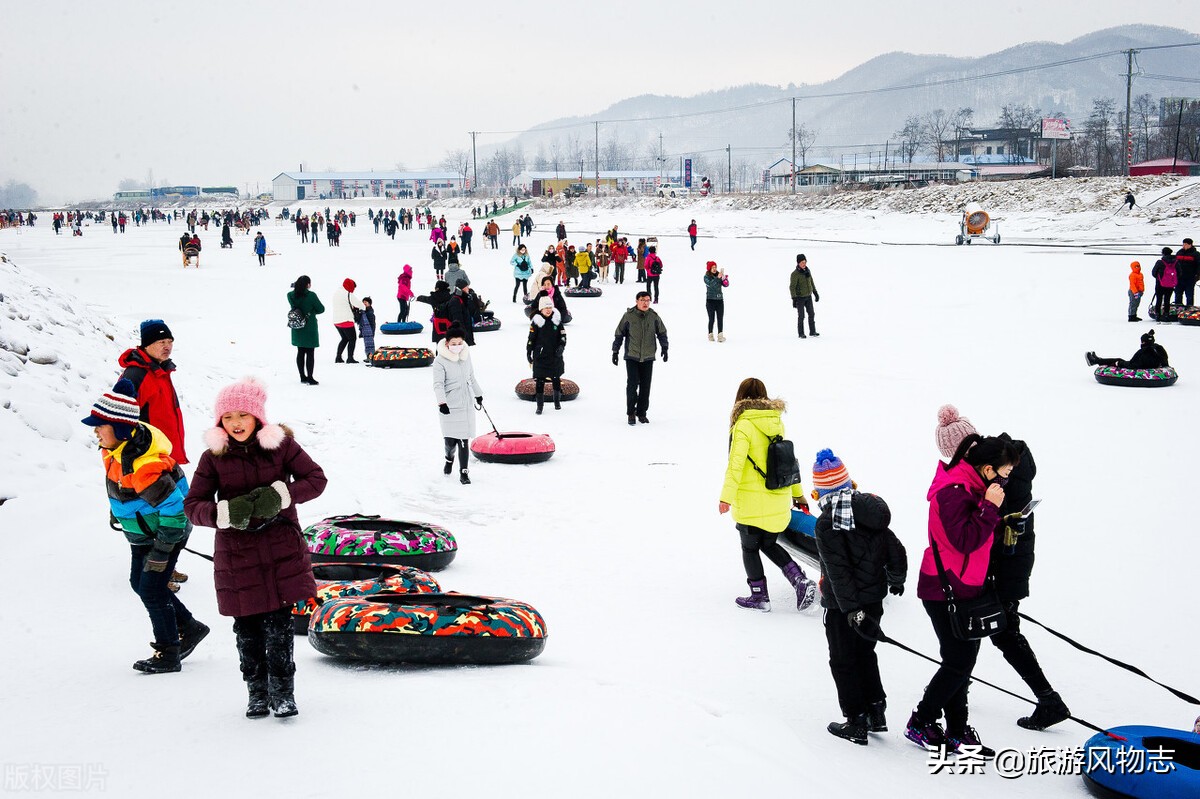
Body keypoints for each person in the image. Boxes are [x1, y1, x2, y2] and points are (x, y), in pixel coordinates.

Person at [184, 378, 327, 718]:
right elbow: (193, 505)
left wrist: (280, 495)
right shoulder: (212, 458)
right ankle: (256, 693)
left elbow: (316, 479)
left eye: (243, 416)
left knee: (278, 626)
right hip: (238, 556)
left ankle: (283, 693)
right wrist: (222, 512)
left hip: (280, 550)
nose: (235, 423)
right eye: (228, 417)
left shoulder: (282, 448)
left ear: (258, 418)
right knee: (247, 628)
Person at [934, 405, 1071, 732]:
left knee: (993, 629)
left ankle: (1048, 699)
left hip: (1001, 567)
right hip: (1013, 562)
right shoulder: (1006, 462)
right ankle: (1044, 698)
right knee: (995, 629)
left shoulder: (993, 474)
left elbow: (982, 528)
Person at [82, 379, 208, 674]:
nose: (95, 430)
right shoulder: (115, 449)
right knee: (139, 584)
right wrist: (120, 510)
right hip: (142, 532)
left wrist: (163, 551)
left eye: (101, 425)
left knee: (151, 589)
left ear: (122, 429)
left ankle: (168, 652)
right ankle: (190, 627)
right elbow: (122, 485)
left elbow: (175, 510)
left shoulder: (144, 466)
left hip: (164, 534)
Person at [905, 434, 1020, 757]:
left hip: (967, 586)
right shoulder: (954, 492)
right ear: (987, 469)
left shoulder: (972, 486)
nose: (1006, 480)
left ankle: (957, 729)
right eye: (1005, 473)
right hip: (945, 589)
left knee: (960, 661)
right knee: (959, 660)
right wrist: (989, 507)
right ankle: (921, 720)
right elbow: (965, 540)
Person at [812, 448, 907, 745]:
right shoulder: (870, 512)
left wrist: (851, 609)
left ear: (820, 491)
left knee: (843, 660)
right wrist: (896, 578)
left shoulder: (827, 523)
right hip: (873, 600)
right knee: (865, 652)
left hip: (843, 606)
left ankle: (856, 721)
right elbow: (896, 549)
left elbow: (838, 572)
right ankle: (876, 710)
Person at [717, 377, 816, 612]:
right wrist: (798, 495)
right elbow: (788, 462)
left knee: (750, 547)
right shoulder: (775, 422)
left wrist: (726, 497)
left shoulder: (743, 424)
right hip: (777, 498)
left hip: (750, 503)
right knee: (769, 543)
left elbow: (736, 464)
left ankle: (759, 596)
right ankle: (799, 581)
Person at [118, 319, 190, 465]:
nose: (167, 347)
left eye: (170, 342)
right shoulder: (136, 374)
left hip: (165, 456)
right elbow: (120, 418)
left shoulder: (161, 372)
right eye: (161, 342)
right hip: (148, 458)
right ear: (147, 345)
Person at [432, 324, 483, 485]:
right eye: (453, 344)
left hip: (466, 404)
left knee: (463, 440)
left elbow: (472, 377)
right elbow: (438, 384)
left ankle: (464, 472)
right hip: (449, 406)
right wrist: (442, 403)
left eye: (459, 343)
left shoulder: (466, 356)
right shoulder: (439, 361)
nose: (457, 346)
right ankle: (448, 460)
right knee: (450, 442)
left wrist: (478, 394)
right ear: (447, 343)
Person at [612, 291, 668, 425]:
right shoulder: (628, 316)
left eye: (648, 300)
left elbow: (662, 332)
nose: (646, 303)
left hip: (648, 356)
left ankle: (641, 413)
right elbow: (619, 334)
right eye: (643, 300)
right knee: (632, 385)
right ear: (637, 301)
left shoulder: (654, 317)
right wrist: (615, 351)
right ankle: (631, 412)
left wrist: (665, 348)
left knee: (645, 387)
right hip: (632, 356)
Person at [526, 296, 567, 414]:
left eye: (550, 307)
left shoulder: (557, 320)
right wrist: (529, 351)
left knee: (556, 378)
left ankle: (557, 402)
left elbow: (563, 336)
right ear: (541, 309)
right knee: (540, 381)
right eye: (545, 308)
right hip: (540, 356)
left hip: (555, 355)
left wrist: (561, 346)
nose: (548, 310)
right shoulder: (536, 322)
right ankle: (539, 406)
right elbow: (531, 339)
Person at [288, 276, 324, 385]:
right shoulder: (311, 296)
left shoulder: (291, 295)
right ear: (307, 284)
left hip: (297, 325)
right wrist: (311, 310)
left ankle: (302, 377)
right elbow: (321, 309)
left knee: (300, 351)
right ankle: (310, 377)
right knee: (310, 352)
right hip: (309, 326)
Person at [1085, 328, 1169, 369]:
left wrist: (1121, 364)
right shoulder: (1158, 348)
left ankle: (1095, 361)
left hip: (1141, 367)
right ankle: (1099, 360)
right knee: (1120, 360)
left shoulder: (1145, 351)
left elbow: (1135, 364)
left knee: (1118, 360)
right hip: (1154, 366)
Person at [332, 278, 362, 364]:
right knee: (352, 339)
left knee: (344, 338)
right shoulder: (348, 294)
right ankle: (350, 358)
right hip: (346, 321)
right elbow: (359, 304)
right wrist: (365, 307)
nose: (353, 290)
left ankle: (338, 357)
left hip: (336, 321)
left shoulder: (337, 292)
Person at [790, 254, 820, 338]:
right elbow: (792, 287)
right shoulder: (795, 274)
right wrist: (794, 298)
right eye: (802, 262)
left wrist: (815, 293)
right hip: (800, 298)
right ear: (798, 263)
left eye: (805, 262)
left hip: (808, 296)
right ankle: (801, 333)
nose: (804, 264)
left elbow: (811, 282)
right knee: (801, 316)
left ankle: (812, 331)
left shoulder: (807, 271)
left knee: (811, 314)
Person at [1150, 247, 1178, 321]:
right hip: (1170, 285)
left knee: (1159, 299)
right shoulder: (1175, 262)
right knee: (1167, 300)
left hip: (1160, 284)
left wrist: (1159, 278)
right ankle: (1166, 315)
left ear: (1163, 253)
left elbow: (1153, 273)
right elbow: (1179, 273)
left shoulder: (1160, 262)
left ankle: (1157, 315)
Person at [703, 261, 728, 342]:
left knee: (720, 318)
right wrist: (718, 278)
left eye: (715, 267)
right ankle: (710, 335)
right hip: (710, 301)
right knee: (711, 319)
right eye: (713, 267)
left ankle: (720, 336)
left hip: (720, 300)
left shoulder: (719, 275)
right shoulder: (706, 277)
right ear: (709, 268)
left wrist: (724, 279)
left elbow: (726, 285)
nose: (714, 269)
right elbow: (711, 284)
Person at [1175, 238, 1197, 307]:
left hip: (1190, 278)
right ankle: (1178, 307)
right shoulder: (1179, 252)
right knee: (1178, 294)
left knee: (1189, 295)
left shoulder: (1195, 254)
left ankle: (1189, 308)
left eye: (1186, 244)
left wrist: (1196, 276)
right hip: (1179, 278)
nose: (1184, 246)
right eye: (1183, 244)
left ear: (1190, 245)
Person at [359, 296, 377, 361]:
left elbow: (372, 323)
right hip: (366, 330)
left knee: (370, 345)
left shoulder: (370, 312)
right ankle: (369, 357)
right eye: (363, 302)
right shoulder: (364, 311)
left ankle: (371, 357)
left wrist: (372, 331)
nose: (364, 303)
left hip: (369, 330)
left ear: (369, 303)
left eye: (366, 302)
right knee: (367, 345)